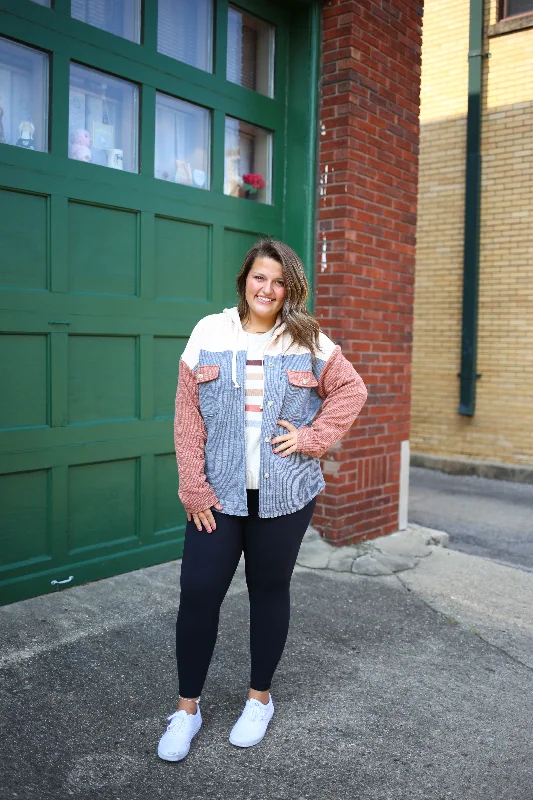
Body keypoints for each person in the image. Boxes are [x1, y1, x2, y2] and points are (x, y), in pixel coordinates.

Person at [157, 238, 368, 762]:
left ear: (289, 288)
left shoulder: (309, 339)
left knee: (268, 592)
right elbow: (188, 417)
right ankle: (187, 710)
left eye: (278, 281)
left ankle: (259, 699)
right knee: (198, 592)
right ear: (243, 280)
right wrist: (192, 485)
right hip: (217, 497)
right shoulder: (209, 332)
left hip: (285, 494)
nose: (267, 289)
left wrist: (311, 438)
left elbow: (351, 390)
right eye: (259, 277)